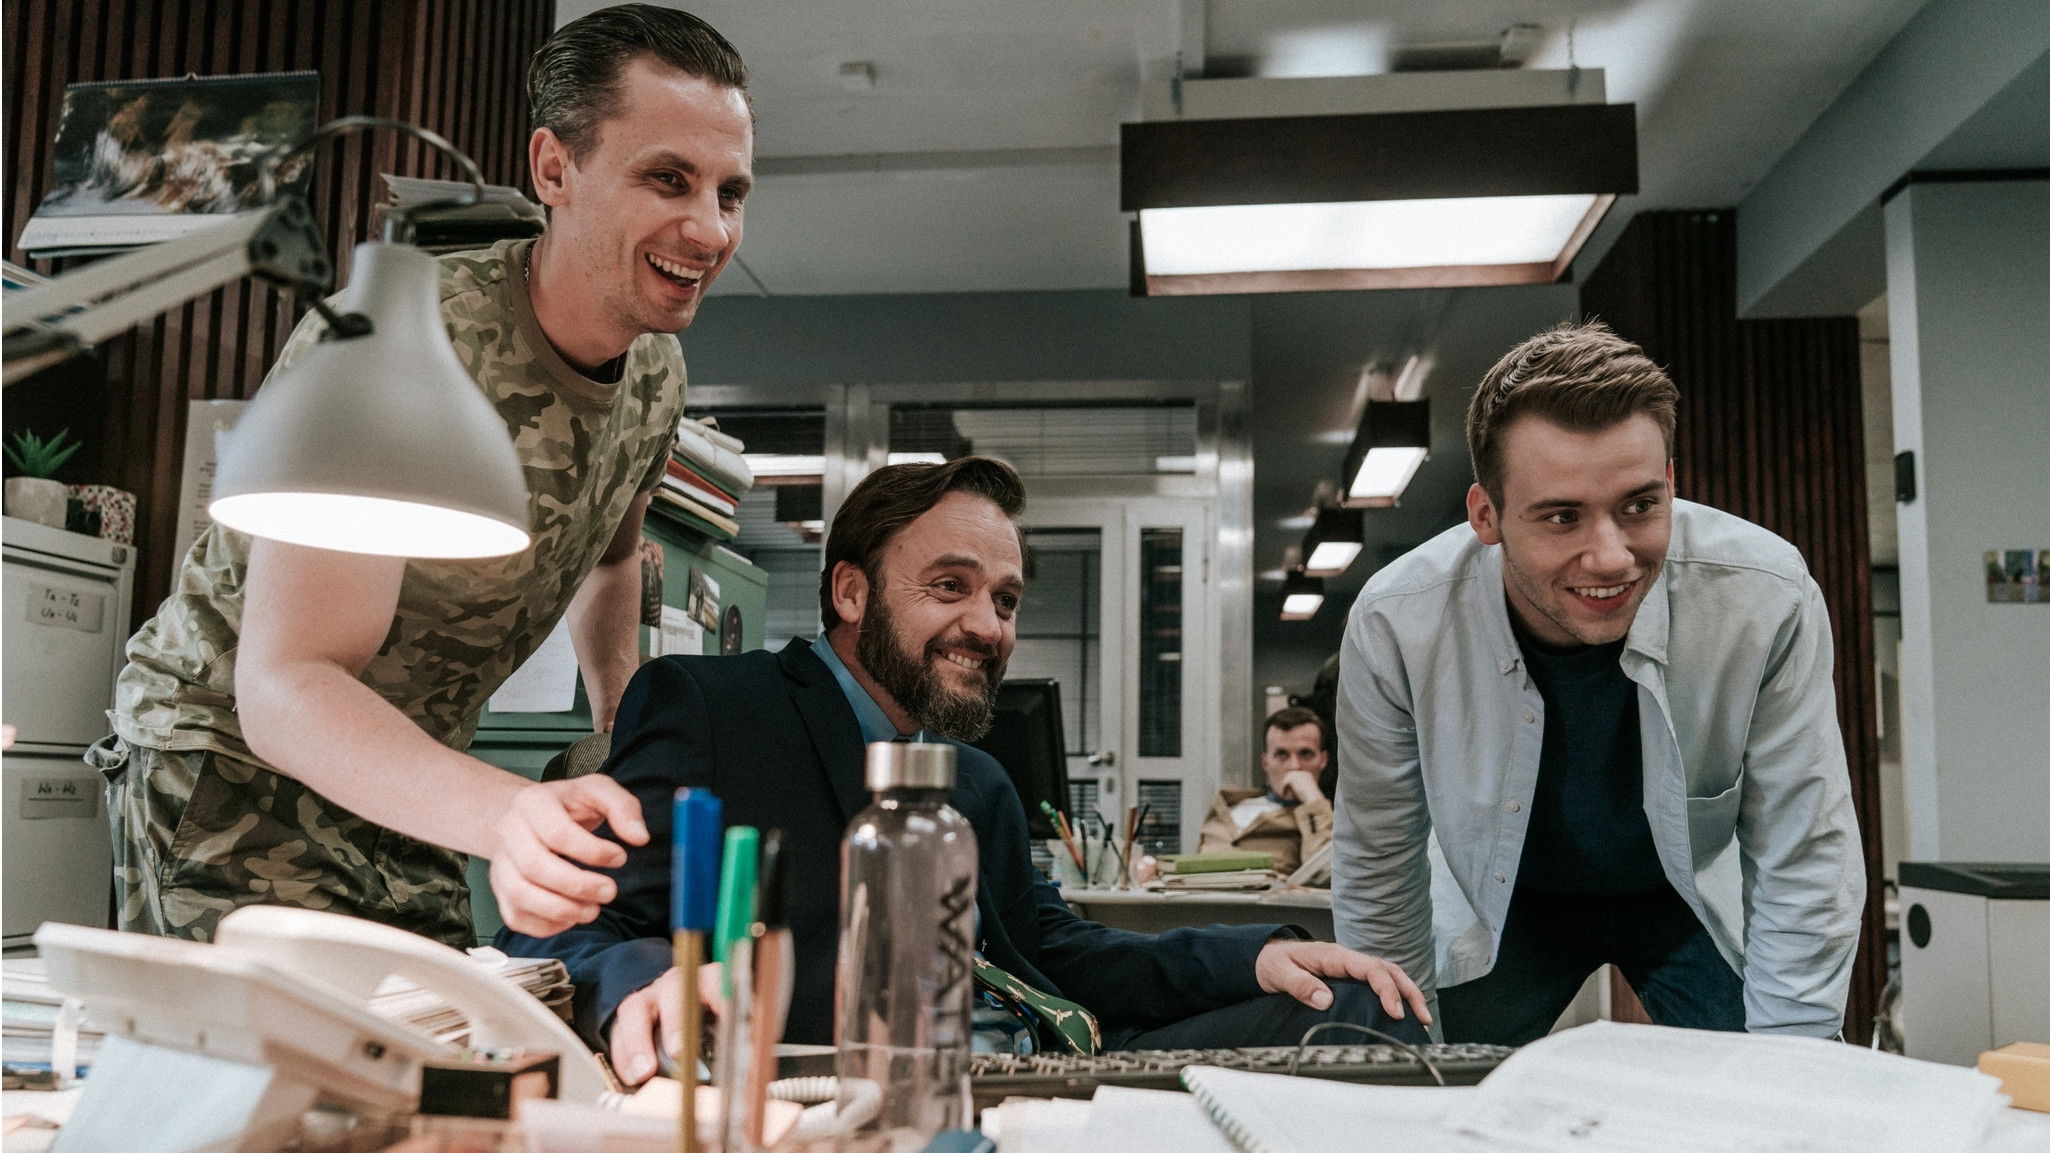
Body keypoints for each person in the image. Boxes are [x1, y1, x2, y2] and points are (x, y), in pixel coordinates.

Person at [97, 4, 755, 947]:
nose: (710, 229)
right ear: (554, 169)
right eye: (668, 179)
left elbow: (612, 558)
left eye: (731, 192)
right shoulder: (400, 350)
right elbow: (287, 682)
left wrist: (619, 725)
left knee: (453, 1025)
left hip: (409, 769)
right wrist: (505, 814)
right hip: (236, 765)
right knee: (292, 1041)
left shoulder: (657, 374)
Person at [501, 457, 1430, 1085]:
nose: (989, 626)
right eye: (950, 586)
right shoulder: (713, 707)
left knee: (1364, 1011)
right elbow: (557, 925)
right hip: (863, 1088)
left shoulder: (975, 780)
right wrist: (649, 980)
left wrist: (1252, 955)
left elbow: (1058, 952)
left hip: (1045, 1065)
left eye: (1006, 599)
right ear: (852, 591)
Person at [1332, 321, 1864, 1046]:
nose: (1610, 557)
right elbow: (1379, 860)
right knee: (1435, 1078)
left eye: (1639, 505)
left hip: (1685, 891)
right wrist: (1391, 1056)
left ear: (1670, 484)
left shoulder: (1764, 596)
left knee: (1778, 1075)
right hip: (1507, 897)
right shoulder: (1399, 621)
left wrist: (1792, 1068)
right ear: (1486, 516)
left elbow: (1804, 848)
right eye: (1562, 516)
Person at [1196, 706, 1333, 876]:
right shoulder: (1229, 806)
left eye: (1306, 754)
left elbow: (1329, 873)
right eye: (1282, 754)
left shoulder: (1327, 820)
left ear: (1323, 760)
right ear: (1265, 762)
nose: (1294, 766)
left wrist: (1312, 799)